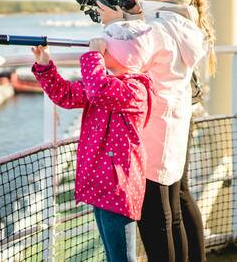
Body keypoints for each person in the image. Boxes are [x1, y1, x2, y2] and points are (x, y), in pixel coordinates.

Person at [82, 0, 209, 262]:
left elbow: (142, 45)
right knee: (175, 199)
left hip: (157, 106)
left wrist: (116, 27)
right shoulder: (175, 0)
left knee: (165, 206)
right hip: (173, 104)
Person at [31, 22, 155, 262]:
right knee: (112, 254)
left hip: (119, 187)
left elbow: (99, 91)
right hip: (100, 182)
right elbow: (66, 95)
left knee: (122, 258)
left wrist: (93, 56)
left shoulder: (136, 90)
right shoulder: (104, 83)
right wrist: (44, 65)